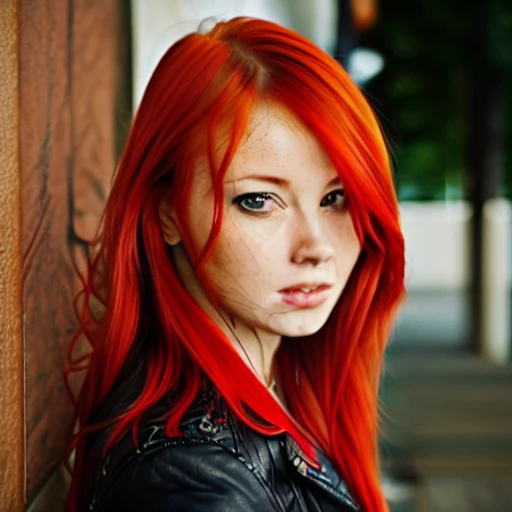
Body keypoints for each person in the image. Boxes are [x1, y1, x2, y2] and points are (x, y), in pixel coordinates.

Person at [65, 16, 405, 512]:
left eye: (336, 197)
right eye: (259, 200)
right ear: (168, 214)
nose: (317, 247)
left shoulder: (283, 390)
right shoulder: (189, 483)